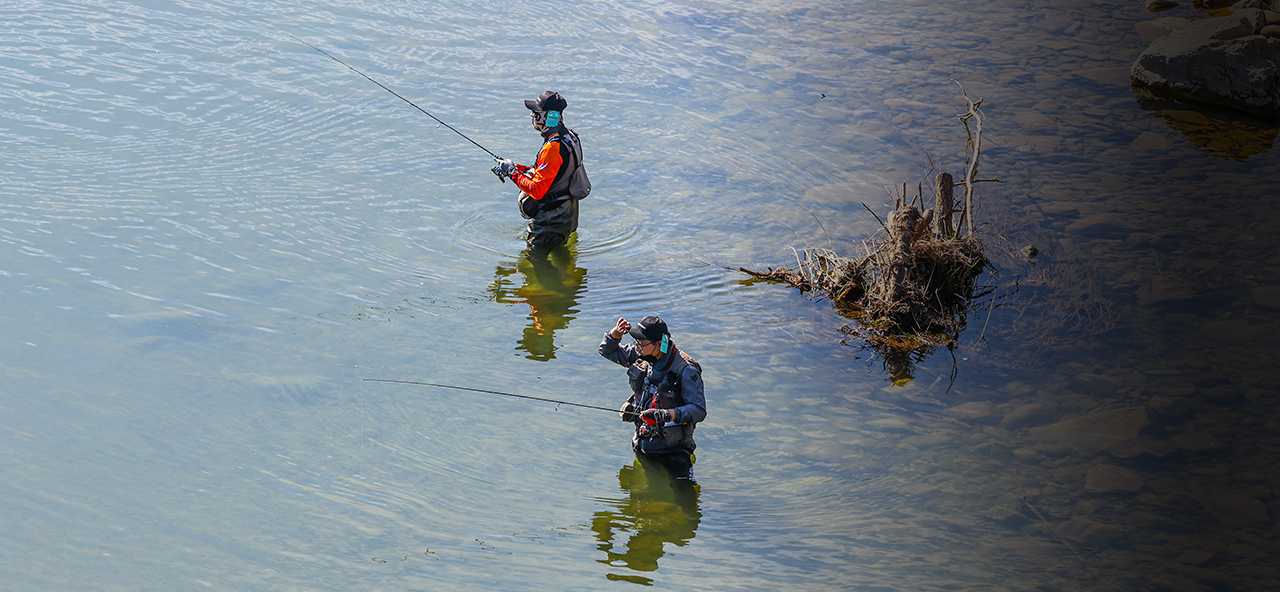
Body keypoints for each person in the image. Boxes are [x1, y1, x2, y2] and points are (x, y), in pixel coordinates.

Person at [598, 315, 706, 481]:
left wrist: (665, 414)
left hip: (674, 451)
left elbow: (698, 410)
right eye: (636, 342)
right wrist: (616, 334)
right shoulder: (641, 356)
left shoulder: (686, 370)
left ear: (659, 343)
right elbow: (607, 350)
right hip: (643, 443)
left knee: (682, 496)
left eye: (642, 343)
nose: (637, 347)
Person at [492, 90, 590, 252]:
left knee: (535, 262)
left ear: (547, 117)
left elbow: (537, 190)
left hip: (552, 217)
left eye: (535, 113)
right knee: (559, 253)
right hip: (568, 209)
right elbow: (550, 171)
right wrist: (512, 167)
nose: (532, 117)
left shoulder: (552, 148)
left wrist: (511, 172)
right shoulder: (570, 137)